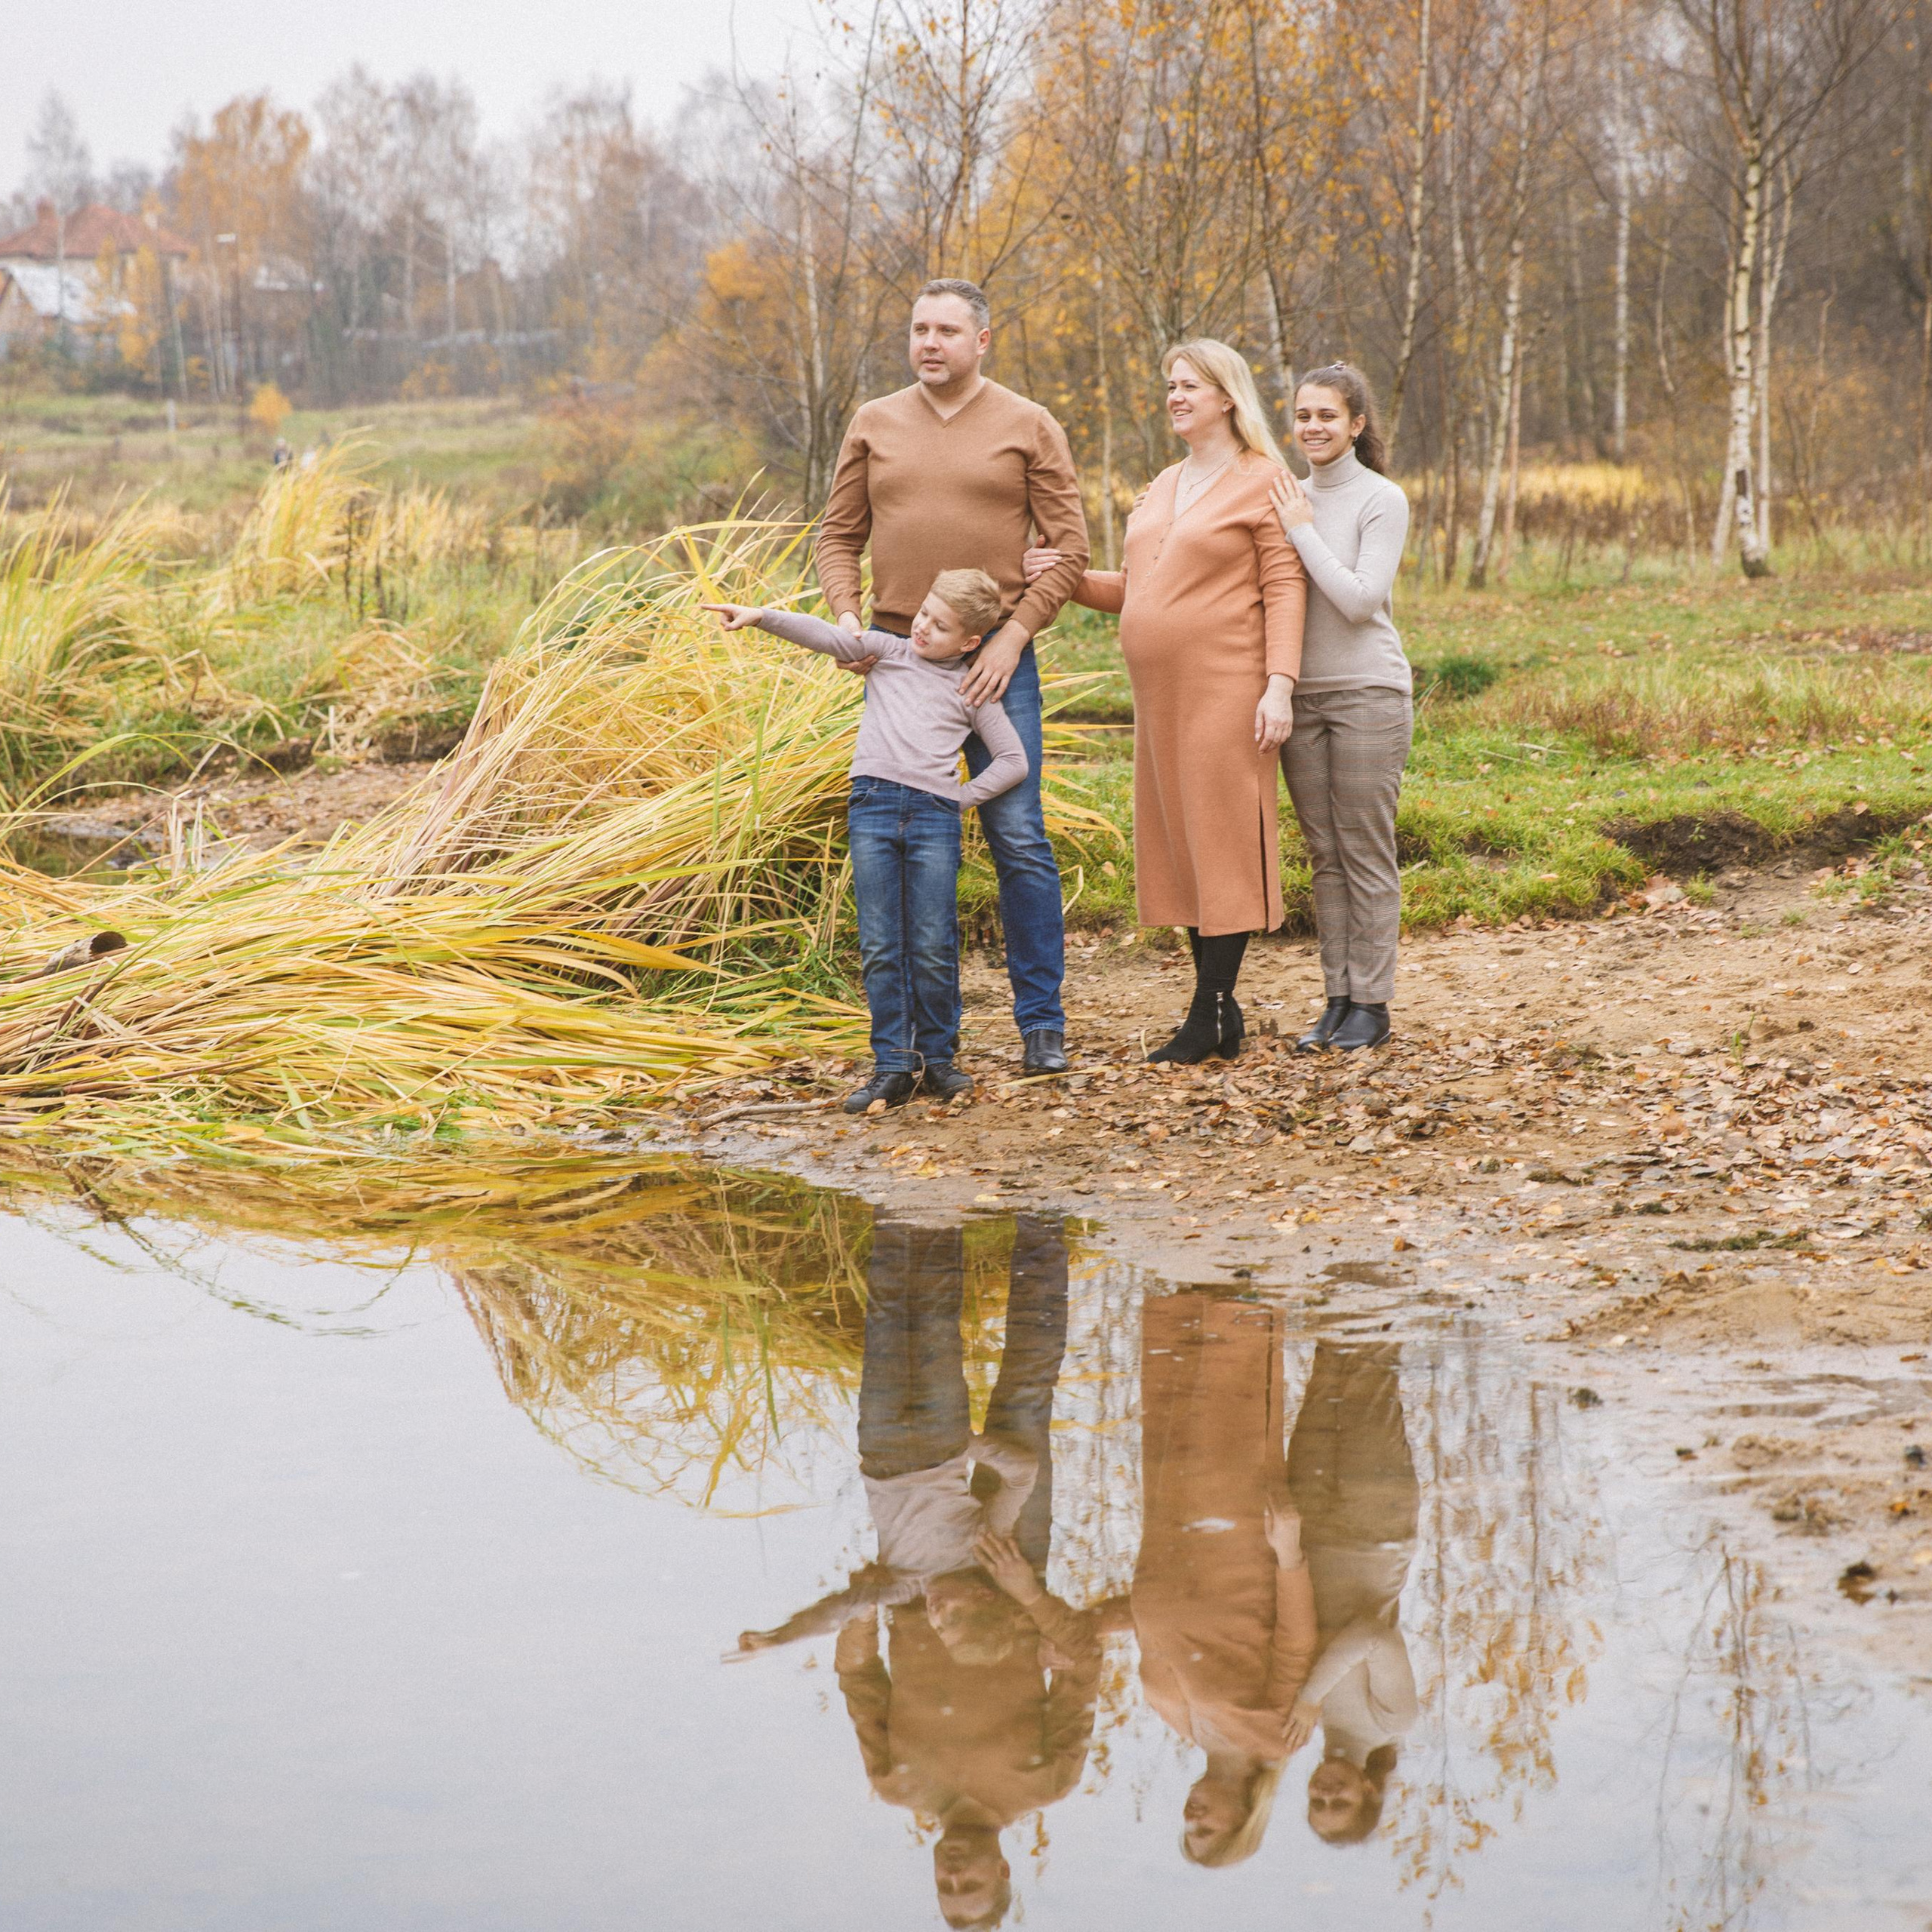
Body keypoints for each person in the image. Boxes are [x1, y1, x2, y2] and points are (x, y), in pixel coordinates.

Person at [732, 1215, 1093, 1931]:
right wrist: (1026, 1593)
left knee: (936, 1399)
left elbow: (861, 1679)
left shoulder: (895, 1783)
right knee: (1025, 1393)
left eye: (946, 1887)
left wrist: (863, 1601)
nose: (955, 1873)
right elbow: (1084, 1663)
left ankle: (925, 1214)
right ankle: (1043, 1222)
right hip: (1014, 1567)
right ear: (1002, 1873)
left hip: (922, 1569)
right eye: (971, 1886)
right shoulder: (1045, 1784)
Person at [817, 278, 1091, 1078]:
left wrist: (1011, 638)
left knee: (1017, 834)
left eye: (945, 331)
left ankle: (1041, 1022)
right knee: (905, 836)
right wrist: (845, 618)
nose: (928, 343)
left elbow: (1068, 549)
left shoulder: (1027, 424)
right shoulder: (874, 422)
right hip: (899, 660)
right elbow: (838, 535)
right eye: (917, 329)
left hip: (996, 664)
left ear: (982, 340)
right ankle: (919, 1046)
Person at [1023, 340, 1306, 1063]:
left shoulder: (1263, 480)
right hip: (1159, 697)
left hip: (1228, 686)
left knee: (1223, 842)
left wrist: (1280, 685)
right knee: (1180, 843)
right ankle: (1222, 1011)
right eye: (1171, 386)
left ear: (1228, 397)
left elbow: (1283, 586)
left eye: (1190, 386)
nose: (1176, 396)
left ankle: (1207, 1014)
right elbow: (1137, 588)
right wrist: (1067, 575)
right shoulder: (1165, 482)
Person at [704, 570, 1026, 1113]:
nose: (923, 628)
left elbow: (1014, 761)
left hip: (933, 821)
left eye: (941, 626)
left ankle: (938, 1061)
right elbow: (829, 637)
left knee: (932, 942)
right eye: (924, 613)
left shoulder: (972, 688)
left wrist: (959, 798)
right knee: (880, 942)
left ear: (970, 642)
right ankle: (893, 1065)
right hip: (872, 809)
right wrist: (762, 618)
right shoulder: (887, 652)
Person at [1027, 1291, 1317, 1869]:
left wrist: (1089, 1628)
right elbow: (1297, 1643)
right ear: (1243, 1820)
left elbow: (1160, 1634)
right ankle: (1240, 1296)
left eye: (1188, 1833)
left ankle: (1189, 1296)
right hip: (1235, 1553)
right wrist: (1290, 1555)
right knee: (1227, 1427)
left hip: (1167, 1542)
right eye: (1209, 1832)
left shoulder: (1179, 1725)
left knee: (1176, 1419)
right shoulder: (1275, 1737)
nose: (1193, 1821)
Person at [1269, 362, 1415, 1053]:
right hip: (1302, 695)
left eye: (1327, 416)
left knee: (1364, 850)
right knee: (1324, 855)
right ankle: (1337, 1000)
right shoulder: (1286, 495)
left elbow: (1359, 600)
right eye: (1303, 415)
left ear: (1356, 424)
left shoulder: (1382, 498)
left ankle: (1373, 1005)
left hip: (1368, 692)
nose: (1313, 428)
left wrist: (1301, 530)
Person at [1282, 1340, 1420, 1846]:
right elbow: (1371, 1638)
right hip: (1375, 1528)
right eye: (1340, 1804)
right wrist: (1308, 1698)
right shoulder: (1392, 1721)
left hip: (1312, 1527)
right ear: (1368, 1789)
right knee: (1369, 1366)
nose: (1325, 1794)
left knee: (1328, 1366)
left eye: (1316, 1803)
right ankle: (1382, 1259)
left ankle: (1343, 1260)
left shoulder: (1305, 1723)